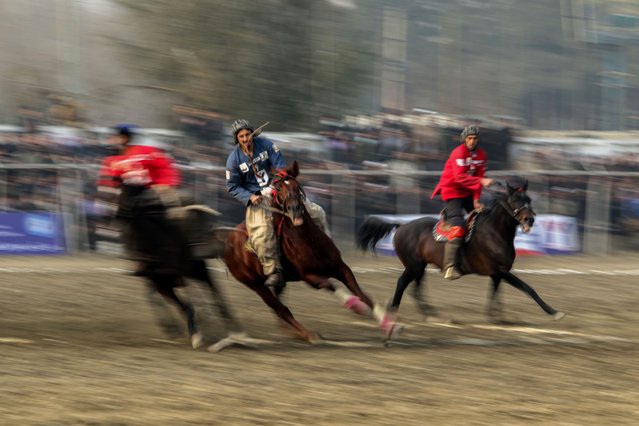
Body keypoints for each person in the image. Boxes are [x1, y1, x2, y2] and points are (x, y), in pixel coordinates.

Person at [225, 119, 330, 288]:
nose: (246, 138)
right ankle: (273, 270)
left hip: (278, 190)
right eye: (242, 136)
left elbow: (281, 166)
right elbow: (232, 186)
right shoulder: (233, 160)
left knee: (317, 212)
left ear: (252, 134)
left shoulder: (266, 145)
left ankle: (326, 248)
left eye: (248, 134)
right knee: (262, 233)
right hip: (258, 200)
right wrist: (250, 197)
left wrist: (279, 184)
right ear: (237, 139)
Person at [97, 124, 185, 277]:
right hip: (129, 196)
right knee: (125, 219)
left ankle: (175, 252)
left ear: (125, 138)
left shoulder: (146, 151)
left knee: (160, 215)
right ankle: (141, 257)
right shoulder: (112, 159)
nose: (111, 141)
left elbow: (165, 166)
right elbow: (108, 182)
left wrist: (166, 184)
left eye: (115, 137)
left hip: (152, 190)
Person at [431, 125, 494, 280]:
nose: (472, 141)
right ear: (464, 139)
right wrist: (481, 180)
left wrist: (476, 200)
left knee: (485, 217)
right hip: (451, 191)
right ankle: (449, 267)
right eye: (469, 138)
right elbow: (459, 178)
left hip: (467, 193)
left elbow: (479, 180)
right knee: (459, 227)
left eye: (475, 138)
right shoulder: (458, 152)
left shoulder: (482, 155)